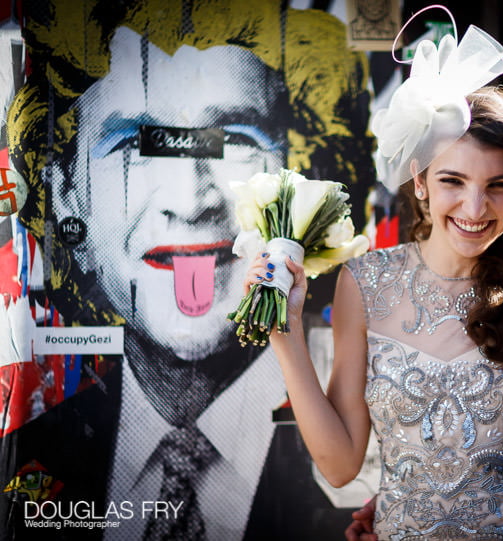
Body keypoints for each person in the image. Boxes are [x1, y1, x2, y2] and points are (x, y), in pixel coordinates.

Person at [1, 3, 373, 539]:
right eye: (133, 144)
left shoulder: (354, 475)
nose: (191, 201)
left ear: (308, 181)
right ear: (65, 197)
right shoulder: (32, 460)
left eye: (236, 139)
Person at [246, 27, 503, 540]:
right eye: (452, 181)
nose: (475, 208)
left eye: (498, 186)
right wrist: (285, 335)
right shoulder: (366, 282)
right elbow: (339, 466)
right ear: (419, 180)